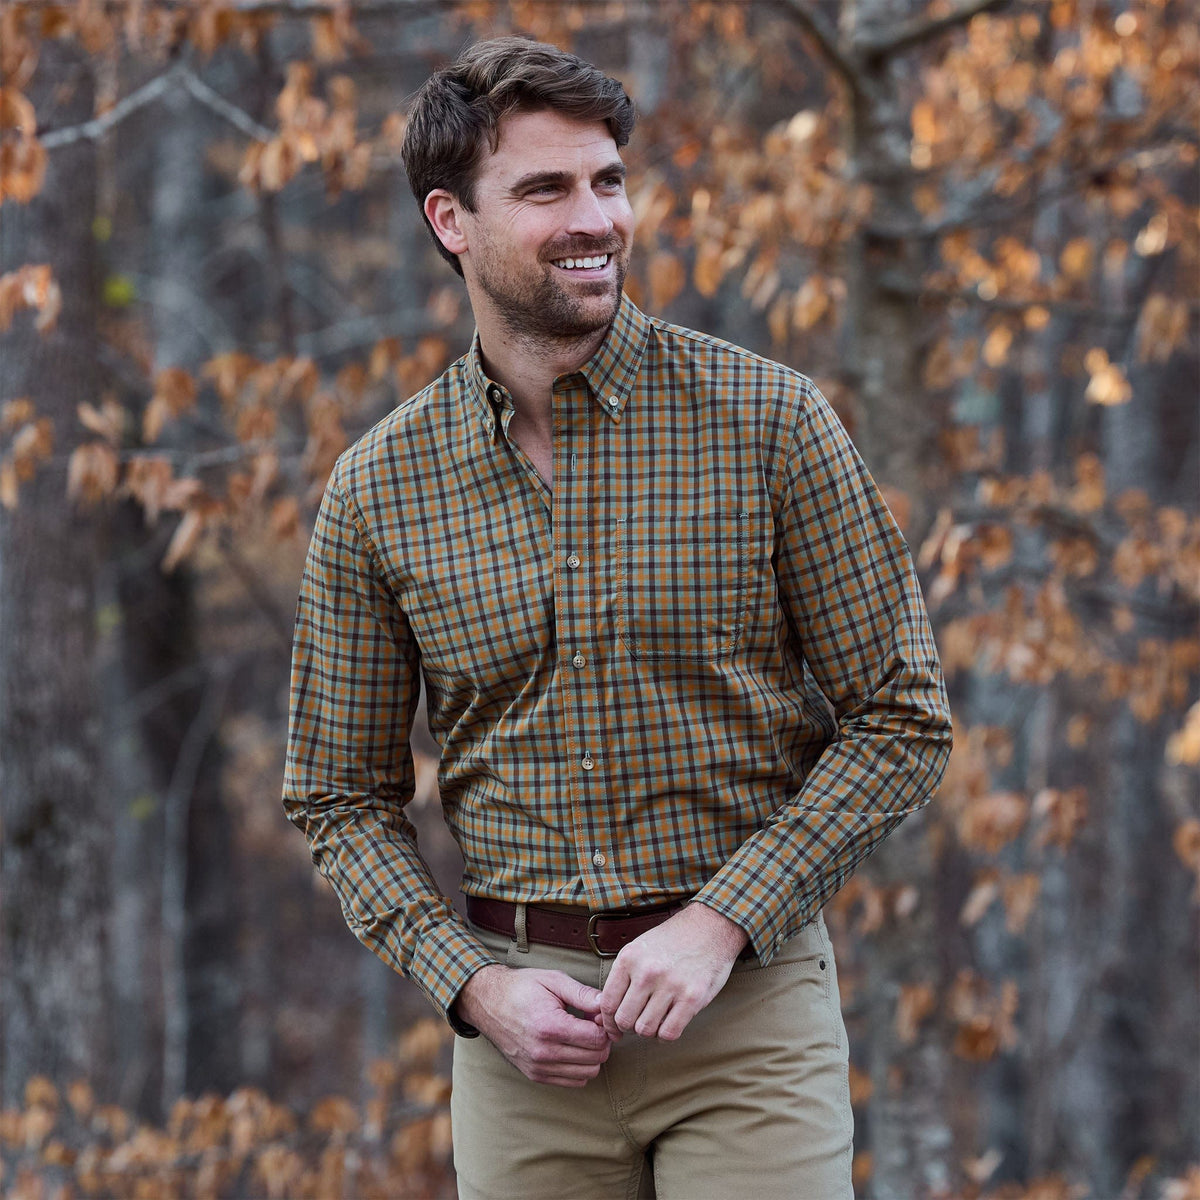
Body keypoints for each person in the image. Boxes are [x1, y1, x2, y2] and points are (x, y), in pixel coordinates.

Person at [283, 35, 952, 1200]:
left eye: (608, 181)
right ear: (452, 221)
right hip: (523, 1038)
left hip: (746, 1015)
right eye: (546, 190)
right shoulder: (379, 489)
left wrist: (721, 922)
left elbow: (901, 717)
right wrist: (472, 986)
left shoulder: (771, 424)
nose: (595, 218)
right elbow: (337, 796)